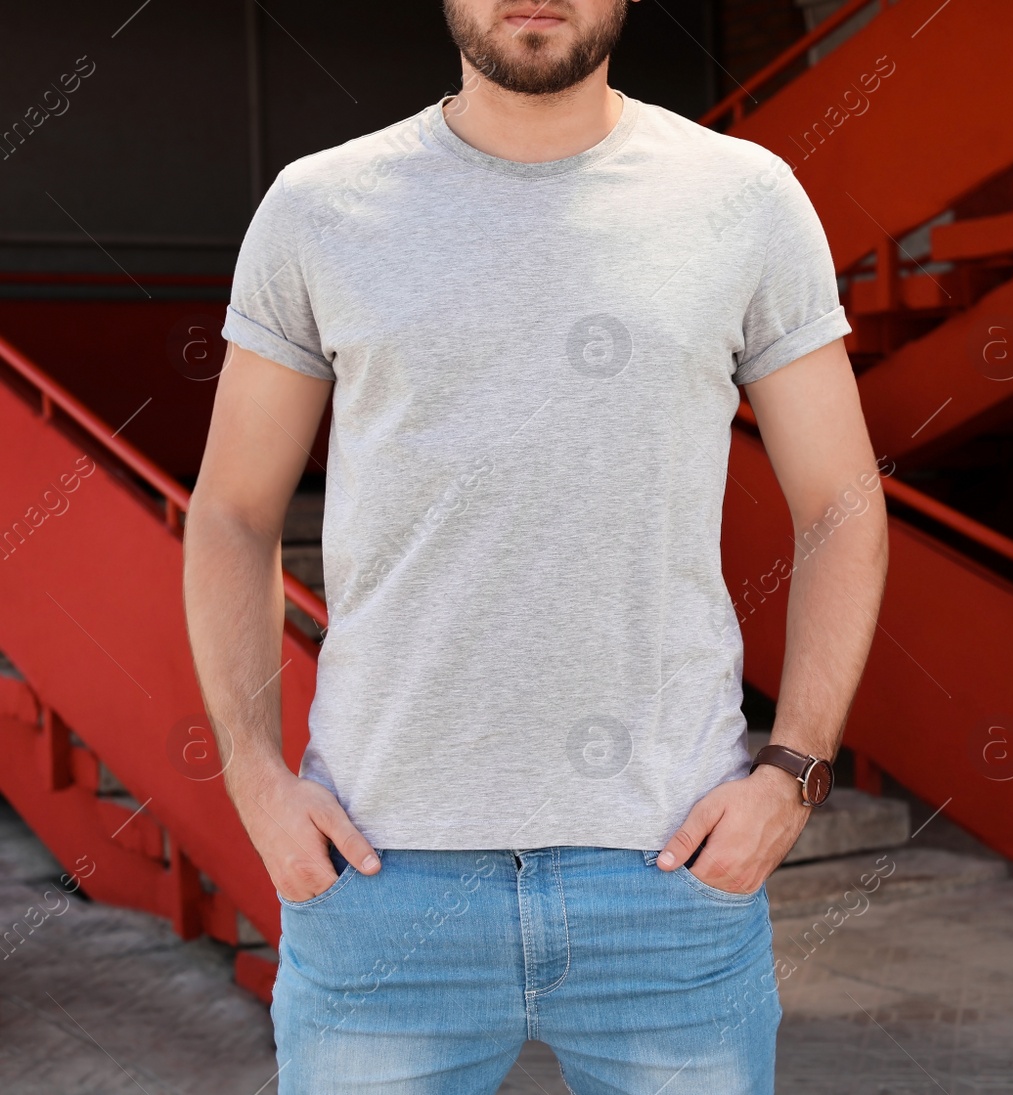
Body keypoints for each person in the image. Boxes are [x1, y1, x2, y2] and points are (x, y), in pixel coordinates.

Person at [182, 1, 888, 1090]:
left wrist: (791, 771)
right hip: (379, 880)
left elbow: (841, 504)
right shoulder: (320, 208)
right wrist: (254, 779)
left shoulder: (741, 199)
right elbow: (231, 512)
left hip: (666, 878)